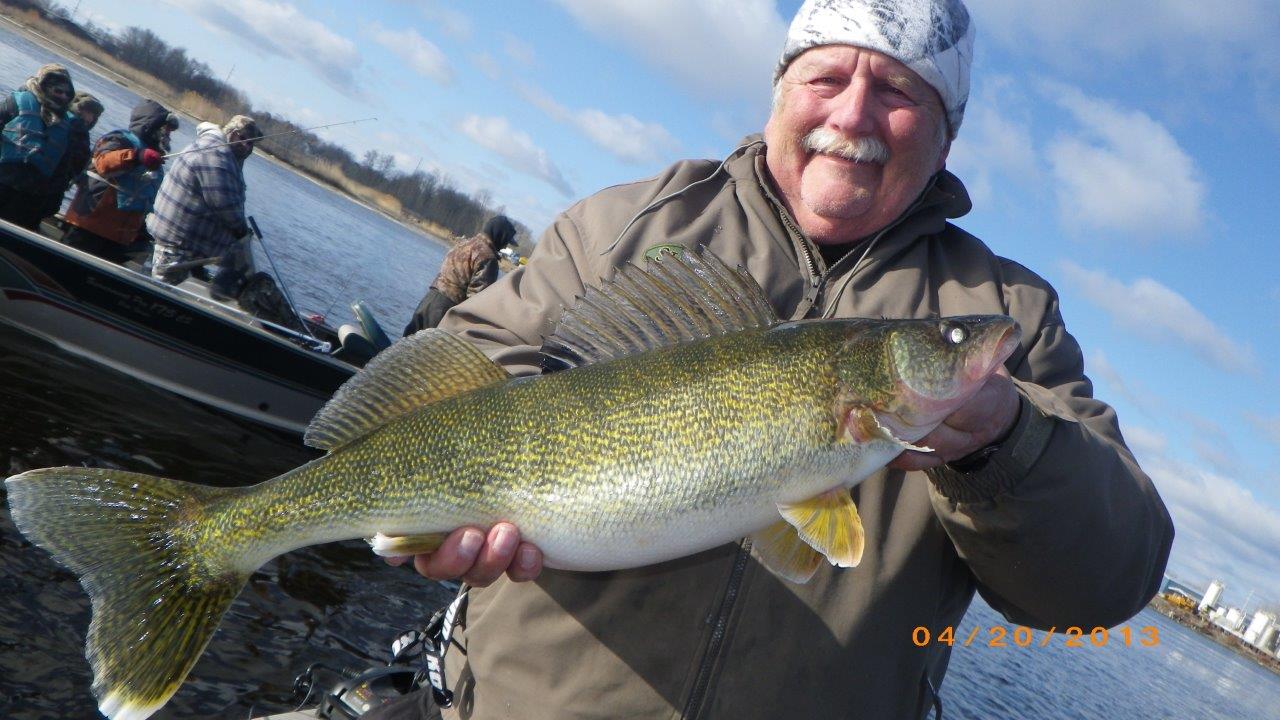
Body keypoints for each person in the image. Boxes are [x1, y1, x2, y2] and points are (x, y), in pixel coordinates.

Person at [368, 2, 1175, 719]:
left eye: (899, 92)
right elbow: (463, 372)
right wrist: (424, 512)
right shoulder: (628, 225)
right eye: (827, 77)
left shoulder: (1013, 316)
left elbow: (1103, 582)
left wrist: (1007, 442)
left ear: (946, 133)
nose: (853, 114)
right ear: (782, 90)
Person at [147, 115, 260, 295]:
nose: (246, 145)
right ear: (230, 132)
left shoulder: (218, 150)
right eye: (242, 138)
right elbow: (225, 206)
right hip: (178, 247)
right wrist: (242, 232)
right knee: (164, 293)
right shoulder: (216, 155)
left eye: (251, 143)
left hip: (189, 249)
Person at [63, 99, 176, 262]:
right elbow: (103, 163)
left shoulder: (155, 159)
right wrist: (136, 156)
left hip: (119, 239)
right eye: (165, 129)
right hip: (88, 227)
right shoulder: (120, 139)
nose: (168, 134)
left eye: (171, 132)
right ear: (151, 126)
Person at [401, 214, 518, 336]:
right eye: (506, 242)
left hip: (428, 300)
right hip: (445, 310)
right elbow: (476, 300)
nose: (505, 246)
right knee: (427, 351)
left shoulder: (464, 243)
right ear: (500, 236)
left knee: (407, 343)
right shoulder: (488, 258)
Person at [0, 64, 75, 229]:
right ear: (44, 87)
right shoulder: (15, 102)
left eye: (67, 94)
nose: (63, 97)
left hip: (32, 198)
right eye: (58, 91)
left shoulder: (67, 125)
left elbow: (63, 171)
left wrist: (53, 201)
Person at [32, 91, 102, 226]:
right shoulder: (80, 131)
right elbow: (79, 167)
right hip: (46, 193)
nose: (90, 119)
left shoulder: (49, 116)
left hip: (26, 181)